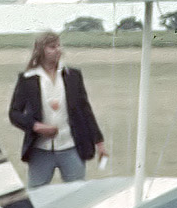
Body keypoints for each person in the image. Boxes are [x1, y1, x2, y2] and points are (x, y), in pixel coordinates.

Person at [9, 31, 107, 188]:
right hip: (40, 151)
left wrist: (99, 142)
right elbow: (14, 114)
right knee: (37, 197)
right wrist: (36, 126)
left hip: (71, 148)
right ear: (41, 50)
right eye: (52, 47)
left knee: (77, 194)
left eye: (59, 45)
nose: (58, 50)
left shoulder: (73, 76)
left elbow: (85, 110)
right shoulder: (27, 79)